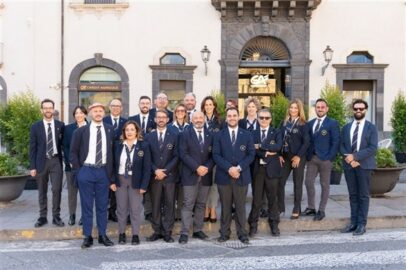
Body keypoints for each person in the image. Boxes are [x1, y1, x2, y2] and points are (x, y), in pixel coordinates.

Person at [70, 102, 115, 248]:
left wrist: (111, 175)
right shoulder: (81, 131)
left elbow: (113, 153)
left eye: (100, 111)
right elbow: (73, 153)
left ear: (104, 113)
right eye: (95, 111)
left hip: (103, 172)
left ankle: (102, 235)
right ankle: (87, 236)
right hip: (86, 171)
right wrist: (79, 171)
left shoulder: (110, 130)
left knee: (102, 205)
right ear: (89, 114)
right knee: (87, 205)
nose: (98, 113)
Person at [213, 107, 255, 244]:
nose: (232, 118)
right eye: (229, 116)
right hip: (224, 176)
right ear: (226, 118)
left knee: (240, 207)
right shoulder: (219, 135)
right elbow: (216, 155)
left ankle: (242, 234)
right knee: (225, 207)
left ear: (238, 117)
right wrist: (229, 168)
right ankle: (224, 233)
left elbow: (251, 154)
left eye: (234, 115)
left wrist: (238, 168)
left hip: (241, 176)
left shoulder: (247, 134)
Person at [340, 99, 377, 236]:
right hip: (349, 166)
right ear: (352, 110)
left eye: (361, 109)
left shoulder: (371, 127)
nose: (358, 111)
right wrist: (349, 159)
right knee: (353, 195)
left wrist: (355, 157)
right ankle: (353, 223)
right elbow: (342, 145)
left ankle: (362, 224)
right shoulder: (346, 128)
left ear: (365, 110)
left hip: (364, 165)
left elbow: (372, 148)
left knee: (363, 195)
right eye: (356, 109)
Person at [111, 120, 151, 245]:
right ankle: (122, 234)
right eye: (127, 130)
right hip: (120, 179)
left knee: (135, 209)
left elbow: (147, 167)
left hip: (136, 181)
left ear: (137, 131)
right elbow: (112, 165)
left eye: (132, 129)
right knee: (121, 209)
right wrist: (112, 181)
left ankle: (135, 235)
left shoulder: (143, 146)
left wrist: (144, 185)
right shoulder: (118, 145)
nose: (129, 132)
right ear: (124, 132)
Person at [178, 111, 214, 244]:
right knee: (188, 204)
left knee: (201, 204)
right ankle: (184, 232)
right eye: (196, 118)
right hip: (190, 175)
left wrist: (206, 168)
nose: (198, 120)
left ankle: (198, 230)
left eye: (200, 118)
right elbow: (183, 154)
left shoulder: (210, 135)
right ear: (191, 120)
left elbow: (213, 155)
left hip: (206, 175)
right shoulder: (185, 134)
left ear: (204, 119)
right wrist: (197, 167)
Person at [29, 99, 65, 228]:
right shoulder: (35, 126)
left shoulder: (61, 125)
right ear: (42, 110)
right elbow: (32, 148)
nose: (48, 110)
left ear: (54, 110)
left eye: (50, 108)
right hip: (41, 162)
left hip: (56, 160)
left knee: (57, 189)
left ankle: (56, 216)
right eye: (45, 108)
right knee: (42, 190)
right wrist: (32, 166)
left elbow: (64, 145)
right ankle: (42, 217)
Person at [145, 109, 179, 243]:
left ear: (168, 119)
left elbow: (177, 156)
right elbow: (147, 158)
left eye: (163, 117)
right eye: (158, 117)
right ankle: (157, 230)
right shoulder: (149, 137)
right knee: (156, 204)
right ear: (155, 119)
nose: (160, 119)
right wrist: (155, 171)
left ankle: (167, 232)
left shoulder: (175, 135)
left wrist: (164, 171)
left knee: (170, 204)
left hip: (170, 176)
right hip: (155, 177)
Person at [248, 109, 283, 237]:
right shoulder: (252, 133)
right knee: (256, 200)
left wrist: (261, 146)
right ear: (257, 119)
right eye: (261, 118)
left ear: (270, 119)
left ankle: (274, 223)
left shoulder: (276, 132)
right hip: (258, 170)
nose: (264, 120)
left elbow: (278, 147)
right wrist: (267, 152)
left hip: (272, 170)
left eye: (266, 118)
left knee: (272, 199)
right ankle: (253, 224)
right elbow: (252, 149)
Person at [304, 99, 340, 221]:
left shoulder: (332, 123)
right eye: (318, 107)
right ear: (315, 108)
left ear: (327, 109)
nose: (320, 109)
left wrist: (330, 157)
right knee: (308, 182)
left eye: (322, 107)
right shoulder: (310, 123)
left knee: (324, 185)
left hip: (325, 159)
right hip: (312, 159)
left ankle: (321, 210)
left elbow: (335, 142)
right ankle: (311, 207)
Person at [278, 99, 310, 219]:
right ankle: (280, 207)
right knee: (280, 182)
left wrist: (298, 156)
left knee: (297, 183)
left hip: (298, 157)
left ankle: (297, 207)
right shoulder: (284, 123)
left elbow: (306, 142)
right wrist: (279, 154)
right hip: (285, 156)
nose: (293, 110)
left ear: (299, 110)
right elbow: (279, 139)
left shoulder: (304, 124)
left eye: (296, 108)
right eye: (291, 108)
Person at [128, 96, 156, 221]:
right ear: (139, 105)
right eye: (142, 103)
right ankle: (131, 213)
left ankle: (148, 212)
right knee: (134, 185)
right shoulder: (132, 119)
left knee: (148, 185)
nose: (145, 105)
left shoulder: (155, 119)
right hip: (135, 155)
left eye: (147, 103)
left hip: (153, 154)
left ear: (150, 105)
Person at [103, 98, 127, 223]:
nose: (116, 108)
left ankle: (113, 211)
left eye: (118, 106)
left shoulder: (126, 122)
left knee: (117, 186)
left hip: (121, 159)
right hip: (105, 158)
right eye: (113, 105)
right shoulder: (103, 121)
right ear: (109, 107)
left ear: (121, 108)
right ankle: (104, 212)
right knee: (106, 186)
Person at [63, 105, 87, 226]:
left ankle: (84, 216)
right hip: (71, 166)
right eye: (76, 113)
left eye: (81, 112)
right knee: (72, 193)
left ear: (85, 114)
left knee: (85, 193)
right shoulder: (68, 129)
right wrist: (71, 162)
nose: (79, 115)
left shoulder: (91, 128)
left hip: (87, 167)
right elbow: (65, 147)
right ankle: (72, 215)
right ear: (74, 115)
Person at [201, 96, 222, 223]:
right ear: (203, 107)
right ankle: (205, 208)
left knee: (214, 184)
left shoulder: (220, 122)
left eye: (210, 104)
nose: (208, 107)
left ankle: (212, 208)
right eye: (206, 105)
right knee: (204, 185)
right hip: (202, 157)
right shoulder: (198, 119)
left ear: (214, 106)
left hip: (216, 157)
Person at [168, 103, 190, 222]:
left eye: (183, 110)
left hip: (185, 163)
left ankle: (179, 213)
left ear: (186, 113)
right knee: (172, 189)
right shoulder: (169, 127)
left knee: (183, 188)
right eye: (178, 111)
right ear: (175, 113)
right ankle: (171, 213)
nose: (180, 112)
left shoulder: (189, 127)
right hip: (172, 162)